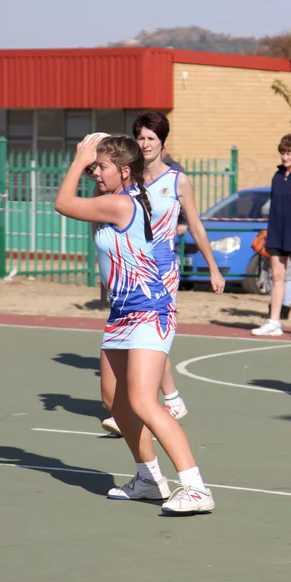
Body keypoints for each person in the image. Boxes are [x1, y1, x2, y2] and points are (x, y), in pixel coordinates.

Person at [55, 134, 215, 514]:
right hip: (122, 313)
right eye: (92, 166)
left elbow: (62, 203)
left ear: (124, 171)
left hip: (148, 311)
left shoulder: (120, 204)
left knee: (143, 400)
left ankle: (195, 487)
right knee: (114, 400)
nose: (95, 171)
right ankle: (148, 479)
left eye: (101, 166)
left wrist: (77, 160)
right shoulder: (119, 201)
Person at [101, 111, 225, 437]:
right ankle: (166, 400)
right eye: (140, 138)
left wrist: (213, 268)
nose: (145, 144)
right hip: (131, 269)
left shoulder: (177, 180)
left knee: (149, 336)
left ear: (163, 143)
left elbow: (195, 225)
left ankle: (153, 403)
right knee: (135, 337)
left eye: (151, 139)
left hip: (163, 269)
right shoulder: (130, 179)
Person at [252, 134, 291, 338]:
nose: (285, 157)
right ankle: (274, 322)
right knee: (277, 277)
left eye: (289, 154)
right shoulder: (277, 177)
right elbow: (274, 209)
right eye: (282, 153)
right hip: (277, 235)